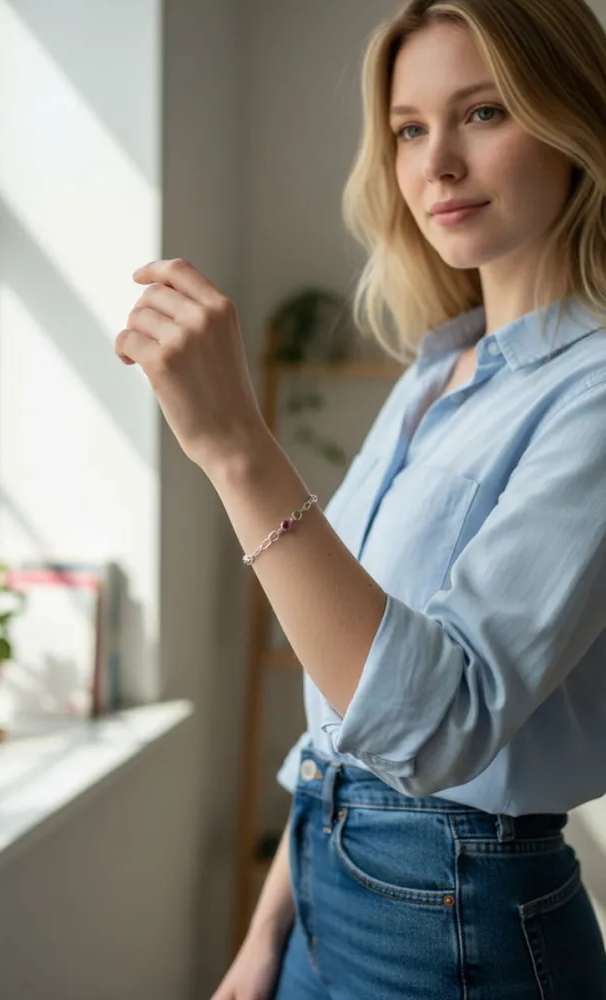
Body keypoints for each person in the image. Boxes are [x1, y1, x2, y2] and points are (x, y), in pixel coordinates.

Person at [115, 0, 606, 997]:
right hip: (322, 878)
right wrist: (266, 937)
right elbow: (343, 708)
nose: (437, 165)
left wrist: (236, 450)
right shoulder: (433, 373)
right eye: (408, 129)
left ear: (576, 124)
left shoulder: (592, 393)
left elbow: (438, 726)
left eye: (483, 112)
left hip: (458, 916)